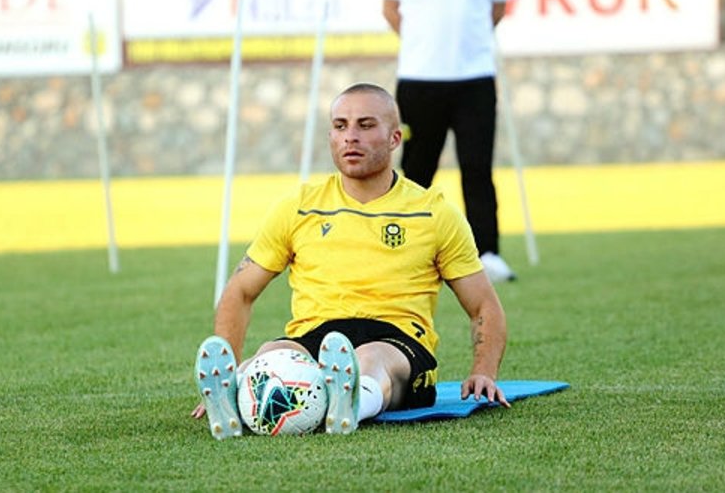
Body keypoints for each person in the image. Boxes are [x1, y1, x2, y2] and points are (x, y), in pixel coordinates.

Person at [191, 83, 509, 439]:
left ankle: (352, 404)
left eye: (366, 125)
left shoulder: (433, 213)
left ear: (395, 138)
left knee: (371, 359)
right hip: (315, 337)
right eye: (340, 126)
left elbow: (483, 305)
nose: (350, 137)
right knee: (272, 354)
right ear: (331, 136)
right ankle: (231, 391)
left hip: (397, 342)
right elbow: (240, 290)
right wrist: (233, 357)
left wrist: (483, 372)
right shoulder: (299, 207)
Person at [382, 0, 515, 281]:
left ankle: (487, 254)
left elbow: (497, 8)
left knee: (477, 168)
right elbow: (390, 8)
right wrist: (425, 46)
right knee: (416, 170)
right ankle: (407, 252)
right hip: (419, 80)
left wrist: (465, 47)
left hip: (475, 79)